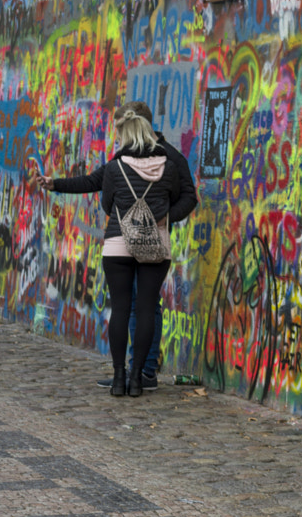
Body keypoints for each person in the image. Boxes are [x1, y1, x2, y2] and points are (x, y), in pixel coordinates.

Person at [29, 105, 197, 397]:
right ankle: (136, 379)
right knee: (145, 308)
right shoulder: (168, 165)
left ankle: (124, 376)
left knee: (123, 308)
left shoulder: (121, 164)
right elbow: (181, 196)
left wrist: (138, 213)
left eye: (120, 129)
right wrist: (161, 216)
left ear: (132, 127)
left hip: (118, 242)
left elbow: (107, 201)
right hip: (155, 243)